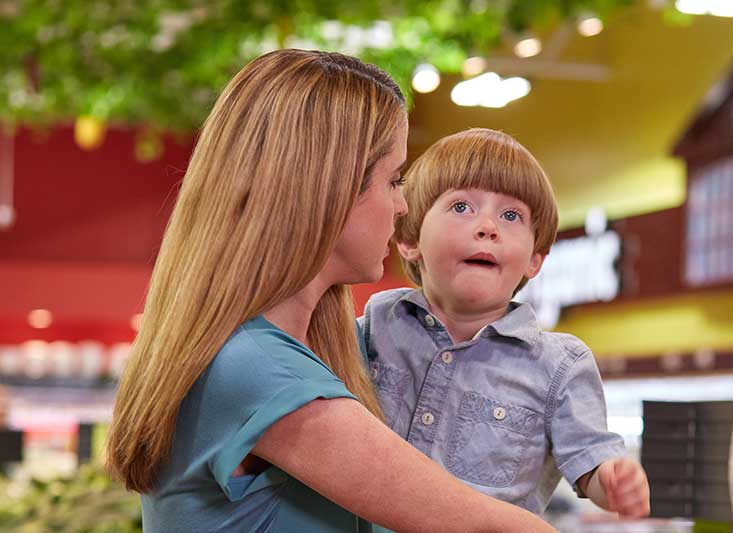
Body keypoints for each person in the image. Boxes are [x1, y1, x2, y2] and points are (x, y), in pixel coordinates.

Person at [105, 51, 556, 532]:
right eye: (394, 179)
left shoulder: (288, 355)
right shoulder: (260, 371)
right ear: (330, 188)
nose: (403, 205)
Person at [360, 128, 651, 519]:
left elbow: (589, 459)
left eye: (511, 215)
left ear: (535, 258)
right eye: (462, 207)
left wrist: (613, 478)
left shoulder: (559, 365)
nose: (487, 226)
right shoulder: (378, 324)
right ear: (410, 239)